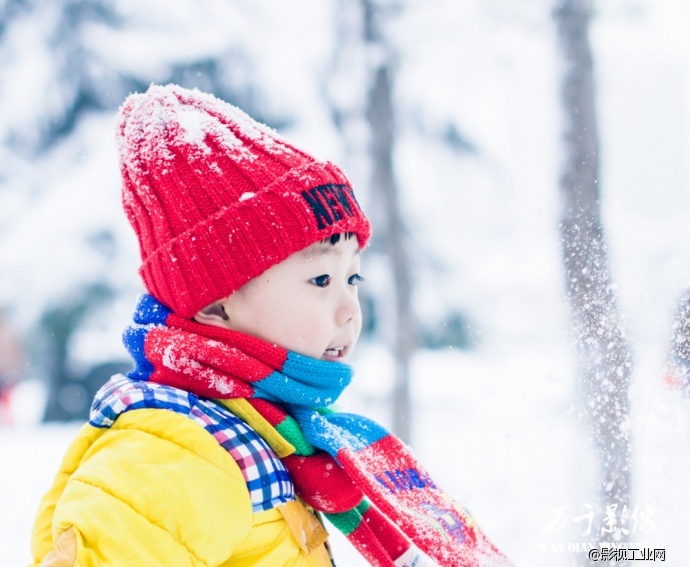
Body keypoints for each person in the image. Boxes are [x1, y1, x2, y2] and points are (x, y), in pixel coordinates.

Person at [29, 84, 511, 567]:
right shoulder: (173, 451)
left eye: (353, 277)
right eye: (320, 279)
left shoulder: (266, 431)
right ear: (215, 305)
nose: (350, 310)